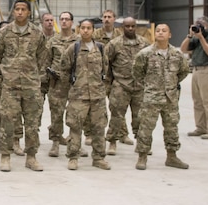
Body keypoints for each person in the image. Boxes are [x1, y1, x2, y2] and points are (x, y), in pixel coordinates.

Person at [0, 0, 48, 172]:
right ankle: (5, 156)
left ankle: (31, 157)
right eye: (17, 9)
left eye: (23, 9)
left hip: (31, 85)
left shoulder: (37, 34)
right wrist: (6, 74)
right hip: (10, 85)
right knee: (7, 121)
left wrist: (33, 75)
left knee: (32, 123)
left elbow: (42, 58)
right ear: (13, 12)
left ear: (29, 12)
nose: (20, 12)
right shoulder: (4, 33)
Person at [132, 23, 190, 170]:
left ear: (169, 35)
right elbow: (137, 73)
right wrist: (150, 86)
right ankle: (142, 157)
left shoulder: (177, 55)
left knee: (172, 128)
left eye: (164, 31)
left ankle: (172, 156)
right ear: (154, 34)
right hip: (152, 97)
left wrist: (171, 84)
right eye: (158, 30)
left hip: (170, 98)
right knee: (145, 127)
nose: (160, 33)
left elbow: (183, 72)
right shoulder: (145, 54)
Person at [61, 19, 110, 170]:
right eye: (83, 28)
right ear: (79, 29)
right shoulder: (73, 48)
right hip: (78, 96)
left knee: (98, 128)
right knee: (75, 127)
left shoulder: (101, 48)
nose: (86, 31)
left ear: (93, 30)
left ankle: (98, 157)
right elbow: (64, 70)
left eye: (89, 28)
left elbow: (106, 69)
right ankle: (73, 157)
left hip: (97, 96)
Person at [103, 17, 149, 155]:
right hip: (121, 85)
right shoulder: (114, 44)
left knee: (140, 117)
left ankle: (141, 143)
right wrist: (109, 84)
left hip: (139, 86)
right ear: (122, 27)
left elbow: (150, 64)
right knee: (117, 116)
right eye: (127, 26)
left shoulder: (144, 43)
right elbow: (106, 64)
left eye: (133, 26)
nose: (130, 28)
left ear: (136, 26)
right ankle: (112, 142)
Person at [45, 11, 81, 158]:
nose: (64, 22)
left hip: (75, 83)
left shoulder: (79, 40)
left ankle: (75, 143)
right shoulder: (53, 41)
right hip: (57, 82)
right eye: (62, 19)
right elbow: (46, 61)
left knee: (76, 115)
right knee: (56, 114)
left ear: (72, 22)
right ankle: (55, 142)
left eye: (67, 19)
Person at [180, 15, 208, 139]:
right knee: (197, 102)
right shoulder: (194, 38)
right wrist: (190, 35)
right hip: (196, 70)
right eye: (196, 25)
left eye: (201, 25)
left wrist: (201, 37)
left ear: (207, 25)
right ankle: (201, 127)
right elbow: (183, 49)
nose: (199, 27)